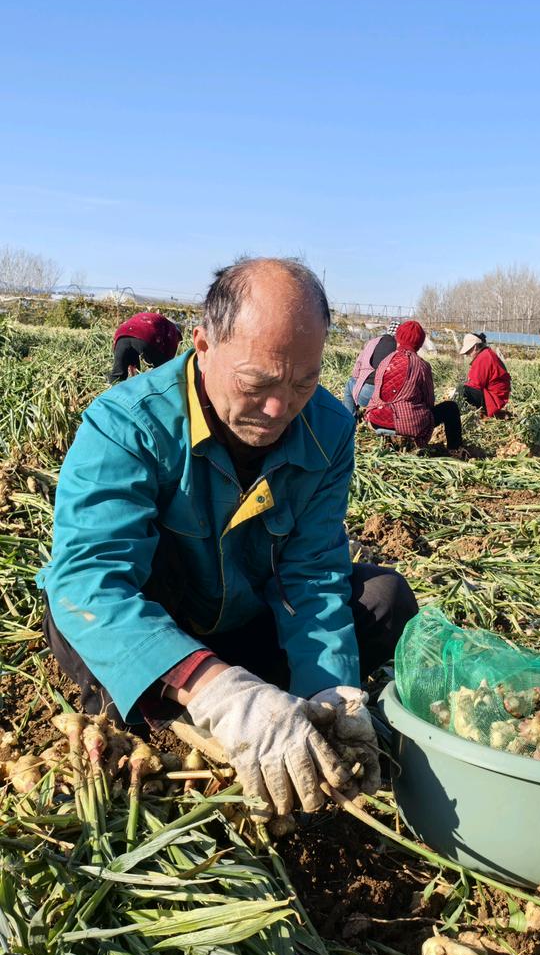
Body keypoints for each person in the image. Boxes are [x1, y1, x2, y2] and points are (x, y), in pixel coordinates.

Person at [38, 258, 419, 821]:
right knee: (75, 612)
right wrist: (218, 688)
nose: (278, 409)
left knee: (383, 596)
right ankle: (182, 712)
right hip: (160, 633)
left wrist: (328, 699)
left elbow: (313, 573)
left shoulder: (330, 427)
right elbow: (92, 580)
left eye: (303, 383)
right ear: (203, 345)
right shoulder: (126, 424)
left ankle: (272, 711)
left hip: (246, 618)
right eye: (257, 382)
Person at [365, 320, 463, 452]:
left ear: (398, 337)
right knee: (451, 408)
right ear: (420, 342)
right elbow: (429, 401)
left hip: (376, 418)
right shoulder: (421, 365)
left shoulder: (385, 361)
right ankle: (455, 450)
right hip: (406, 424)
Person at [344, 320, 400, 415]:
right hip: (389, 399)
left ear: (388, 330)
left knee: (350, 384)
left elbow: (357, 369)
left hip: (366, 395)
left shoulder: (372, 342)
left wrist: (358, 384)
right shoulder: (400, 349)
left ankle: (350, 419)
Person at [110, 312, 182, 382]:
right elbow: (169, 359)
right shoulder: (173, 329)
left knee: (118, 375)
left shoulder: (154, 319)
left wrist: (134, 377)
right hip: (144, 335)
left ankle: (112, 391)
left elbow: (132, 362)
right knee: (161, 369)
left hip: (121, 335)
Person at [459, 332, 511, 417]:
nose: (468, 355)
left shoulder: (484, 357)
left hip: (493, 400)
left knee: (463, 391)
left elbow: (475, 385)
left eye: (468, 352)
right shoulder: (486, 354)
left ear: (475, 347)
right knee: (463, 389)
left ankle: (465, 415)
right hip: (495, 397)